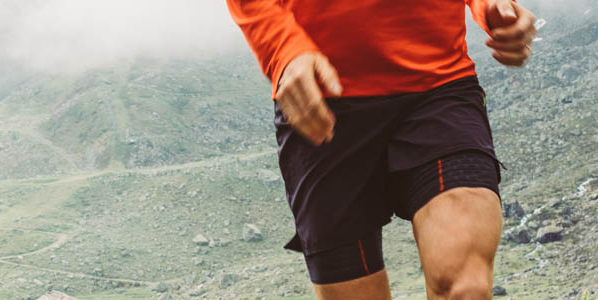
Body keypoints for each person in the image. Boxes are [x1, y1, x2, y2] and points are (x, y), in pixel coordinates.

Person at [226, 0, 536, 299]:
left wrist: (493, 5)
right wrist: (284, 50)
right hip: (320, 102)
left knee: (466, 289)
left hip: (436, 86)